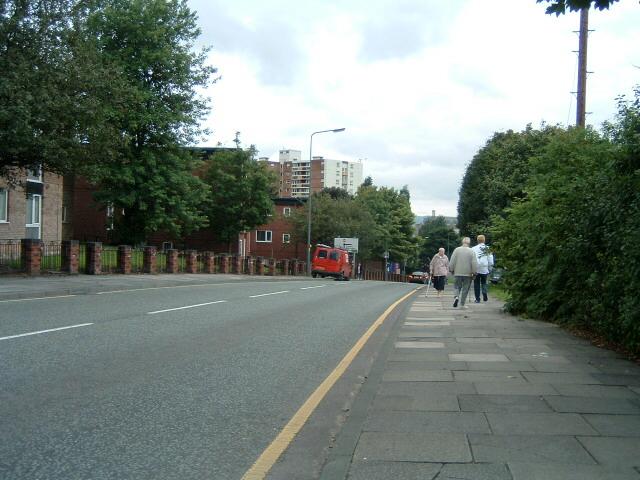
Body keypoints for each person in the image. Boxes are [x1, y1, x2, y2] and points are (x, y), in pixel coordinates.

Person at [448, 237, 478, 309]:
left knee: (456, 286)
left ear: (462, 242)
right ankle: (462, 304)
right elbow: (474, 263)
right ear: (469, 243)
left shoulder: (457, 250)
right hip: (468, 273)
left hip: (457, 272)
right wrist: (474, 272)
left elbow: (452, 261)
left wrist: (451, 269)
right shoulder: (471, 251)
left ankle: (456, 296)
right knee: (465, 289)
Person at [472, 234, 494, 303]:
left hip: (476, 268)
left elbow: (471, 259)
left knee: (476, 284)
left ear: (477, 240)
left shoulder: (473, 248)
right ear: (484, 240)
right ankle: (484, 294)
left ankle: (477, 299)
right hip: (485, 268)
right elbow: (490, 260)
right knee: (484, 283)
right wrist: (490, 267)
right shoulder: (488, 248)